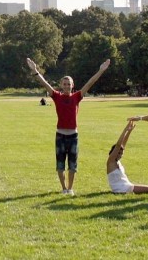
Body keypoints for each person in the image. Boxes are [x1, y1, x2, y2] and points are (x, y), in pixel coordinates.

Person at [27, 57, 111, 195]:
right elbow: (44, 83)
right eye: (64, 84)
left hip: (73, 136)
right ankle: (63, 188)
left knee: (72, 165)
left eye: (68, 84)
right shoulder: (57, 96)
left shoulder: (77, 97)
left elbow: (90, 83)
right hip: (60, 135)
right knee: (60, 165)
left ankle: (70, 188)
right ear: (61, 85)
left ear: (72, 85)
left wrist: (101, 70)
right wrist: (35, 71)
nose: (66, 86)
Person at [106, 121, 148, 195]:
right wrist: (125, 130)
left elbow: (123, 144)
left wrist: (129, 131)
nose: (120, 155)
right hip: (122, 189)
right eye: (118, 153)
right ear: (113, 152)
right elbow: (118, 145)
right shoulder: (111, 161)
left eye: (121, 153)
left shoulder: (117, 161)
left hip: (125, 187)